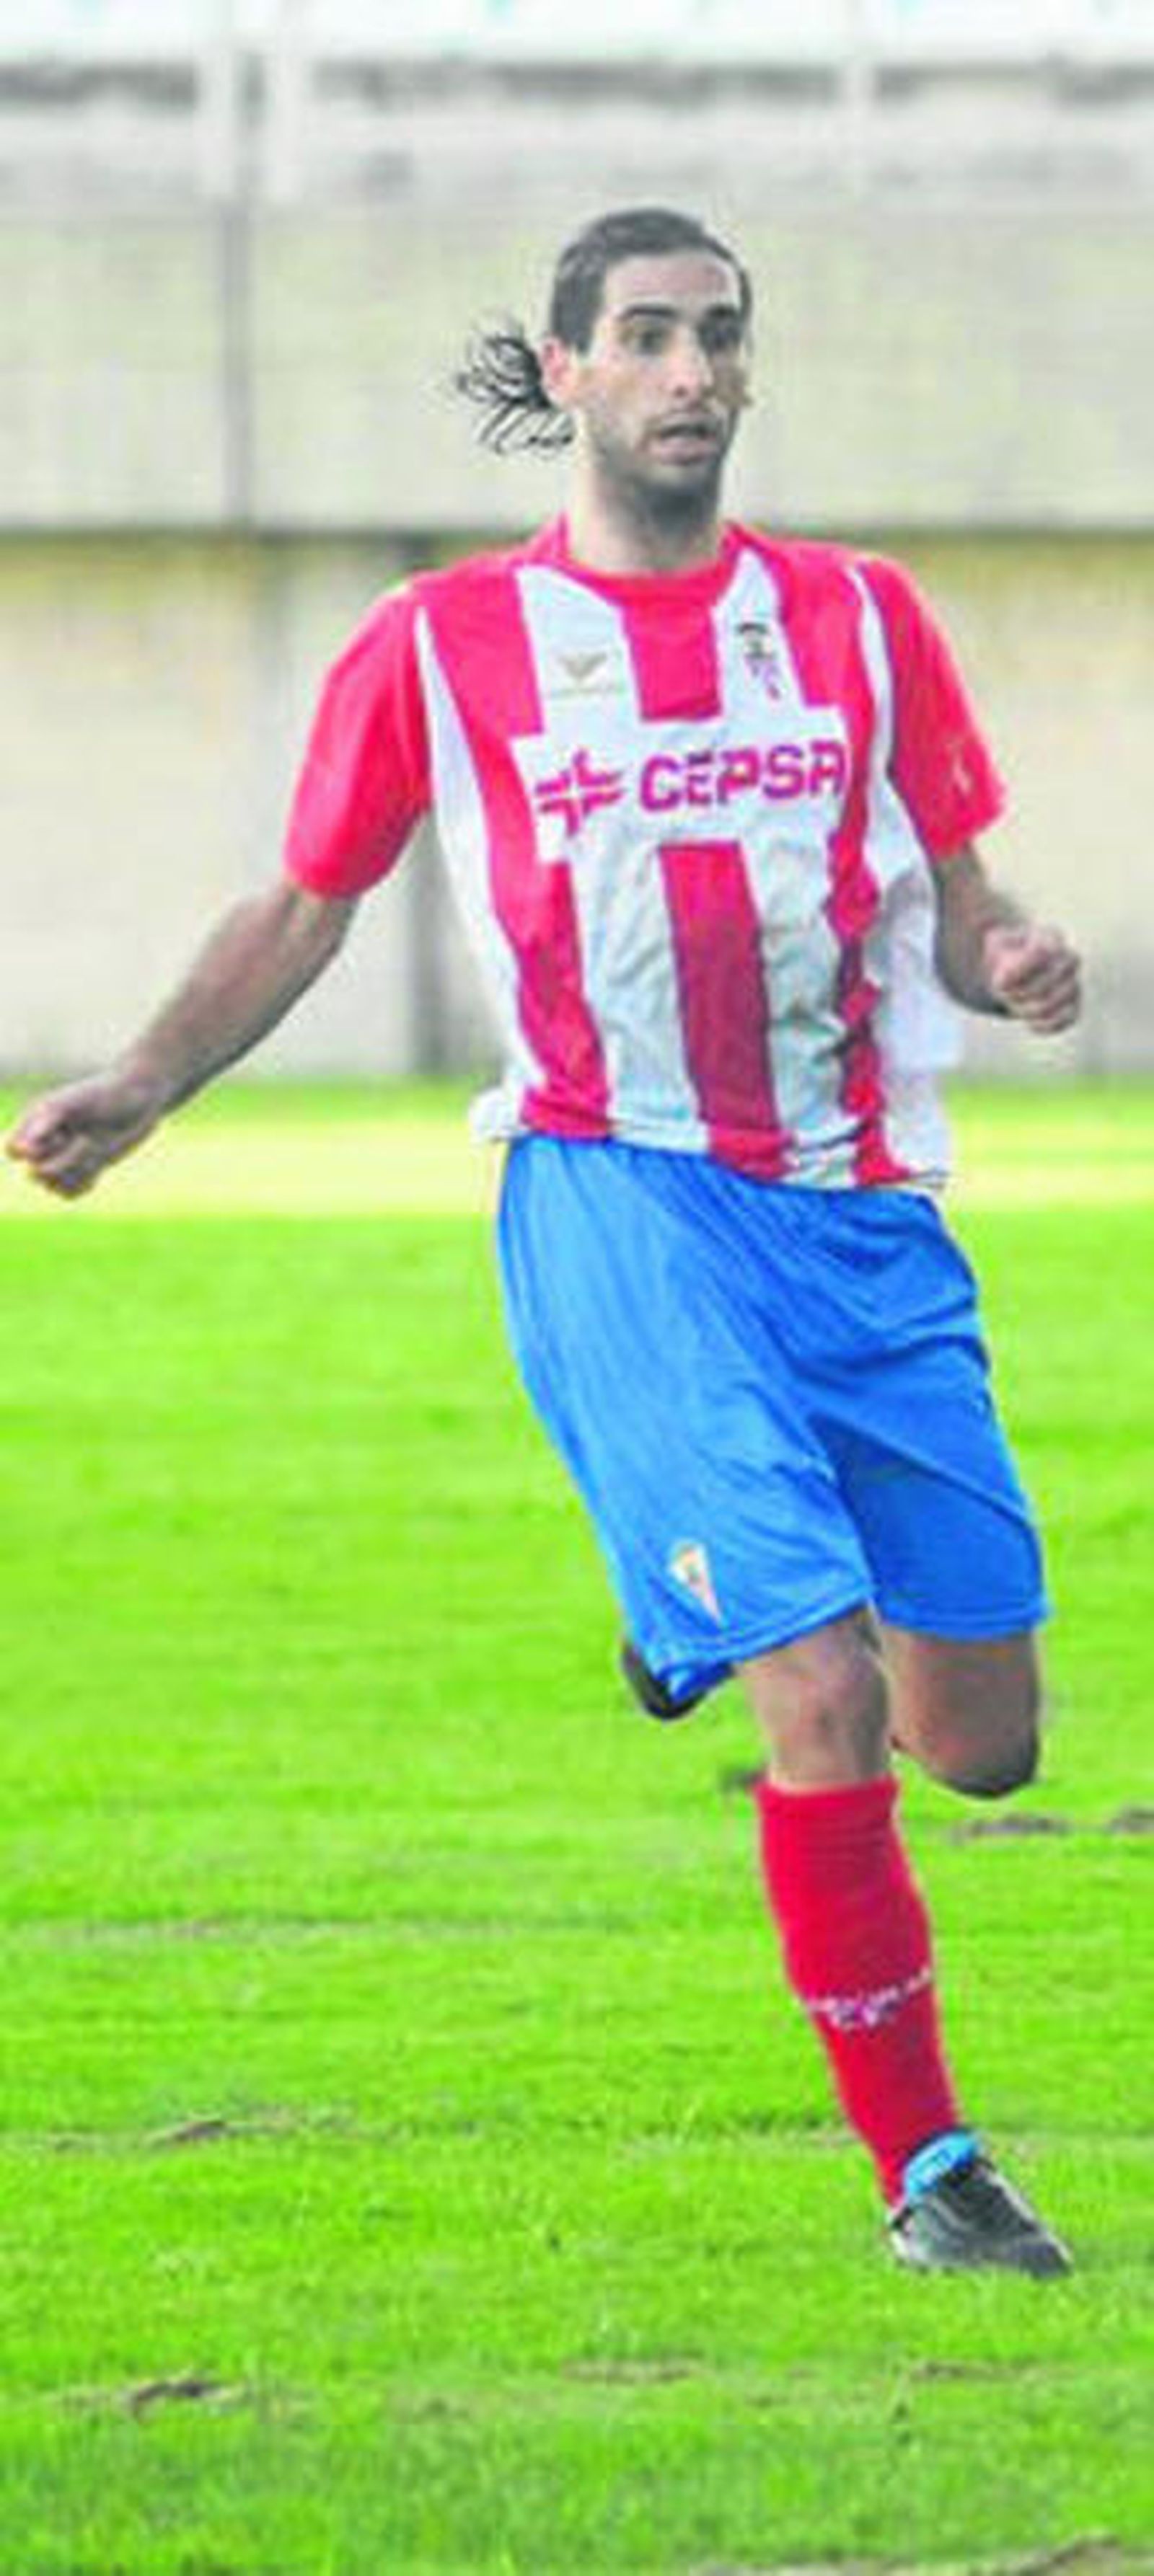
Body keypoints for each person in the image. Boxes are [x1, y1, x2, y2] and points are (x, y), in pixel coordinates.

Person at [8, 205, 1082, 2275]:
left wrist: (1011, 947)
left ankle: (685, 1589)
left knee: (983, 1736)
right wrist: (146, 1083)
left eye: (721, 341)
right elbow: (305, 902)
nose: (692, 373)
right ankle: (931, 2170)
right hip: (617, 1192)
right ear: (568, 372)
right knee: (822, 1694)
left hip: (858, 1210)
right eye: (650, 339)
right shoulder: (442, 644)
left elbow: (965, 889)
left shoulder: (862, 620)